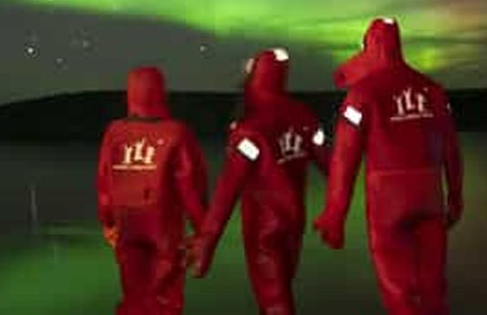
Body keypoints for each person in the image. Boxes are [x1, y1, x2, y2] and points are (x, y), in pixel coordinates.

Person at [313, 17, 464, 315]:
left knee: (400, 294)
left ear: (370, 47)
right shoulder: (433, 91)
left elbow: (345, 158)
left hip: (388, 203)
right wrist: (456, 196)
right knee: (433, 289)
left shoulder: (362, 95)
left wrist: (335, 213)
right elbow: (451, 147)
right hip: (431, 197)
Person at [186, 47, 331, 315]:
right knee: (279, 291)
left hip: (264, 227)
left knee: (275, 302)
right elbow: (331, 166)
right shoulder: (304, 117)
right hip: (294, 221)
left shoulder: (249, 130)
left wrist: (206, 242)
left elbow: (228, 188)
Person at [97, 65, 208, 315]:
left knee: (133, 295)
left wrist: (107, 222)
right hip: (164, 229)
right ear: (161, 93)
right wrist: (204, 230)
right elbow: (191, 185)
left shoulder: (115, 132)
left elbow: (104, 181)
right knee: (164, 298)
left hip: (126, 226)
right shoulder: (176, 132)